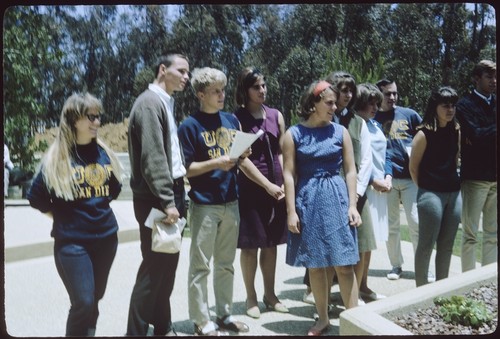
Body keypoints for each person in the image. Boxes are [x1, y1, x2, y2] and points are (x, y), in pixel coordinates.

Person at [27, 93, 123, 336]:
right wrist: (63, 216)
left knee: (95, 299)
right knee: (83, 302)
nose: (97, 122)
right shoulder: (57, 158)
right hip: (72, 244)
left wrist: (93, 207)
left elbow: (114, 189)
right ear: (74, 120)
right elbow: (35, 197)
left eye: (98, 116)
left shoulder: (104, 153)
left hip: (106, 239)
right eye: (91, 117)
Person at [283, 80, 361, 336]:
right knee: (315, 264)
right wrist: (291, 211)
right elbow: (289, 174)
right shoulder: (293, 134)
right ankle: (323, 318)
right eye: (329, 103)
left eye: (335, 104)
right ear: (313, 103)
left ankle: (354, 321)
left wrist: (353, 205)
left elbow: (350, 171)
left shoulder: (341, 132)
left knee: (345, 263)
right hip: (309, 201)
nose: (334, 108)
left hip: (337, 199)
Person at [178, 67, 250, 336]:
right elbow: (186, 168)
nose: (222, 96)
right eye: (215, 92)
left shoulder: (231, 121)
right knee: (200, 265)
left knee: (225, 263)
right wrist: (215, 163)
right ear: (200, 94)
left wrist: (242, 154)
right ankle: (200, 319)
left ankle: (224, 314)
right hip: (204, 203)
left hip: (231, 200)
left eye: (223, 90)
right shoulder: (189, 126)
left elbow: (237, 158)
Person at [126, 53, 190, 336]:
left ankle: (162, 326)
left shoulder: (163, 102)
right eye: (182, 71)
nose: (187, 77)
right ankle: (136, 332)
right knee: (154, 271)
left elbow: (170, 155)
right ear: (163, 70)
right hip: (158, 198)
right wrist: (168, 201)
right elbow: (153, 159)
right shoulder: (149, 104)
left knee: (166, 270)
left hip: (171, 193)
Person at [302, 72, 375, 306]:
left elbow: (364, 161)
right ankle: (315, 291)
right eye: (343, 90)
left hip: (354, 193)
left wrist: (357, 194)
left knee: (355, 244)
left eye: (350, 91)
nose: (347, 95)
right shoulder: (320, 121)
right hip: (325, 192)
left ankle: (353, 294)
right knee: (320, 244)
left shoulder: (356, 122)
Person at [233, 67, 289, 319]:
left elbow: (282, 151)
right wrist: (266, 184)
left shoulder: (276, 115)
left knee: (271, 244)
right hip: (251, 188)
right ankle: (251, 297)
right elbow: (241, 161)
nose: (262, 90)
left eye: (264, 85)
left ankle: (270, 294)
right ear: (245, 90)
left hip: (278, 189)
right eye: (257, 87)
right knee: (250, 246)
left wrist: (285, 181)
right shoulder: (238, 118)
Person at [374, 79, 431, 282]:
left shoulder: (409, 114)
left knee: (416, 222)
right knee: (392, 225)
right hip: (386, 181)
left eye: (394, 93)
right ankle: (396, 265)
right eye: (387, 93)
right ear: (378, 94)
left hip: (410, 178)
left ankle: (423, 266)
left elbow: (425, 137)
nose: (392, 97)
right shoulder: (373, 117)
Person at [409, 86, 462, 287]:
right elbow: (413, 168)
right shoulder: (423, 134)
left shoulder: (456, 129)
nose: (450, 109)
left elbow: (455, 159)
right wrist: (425, 189)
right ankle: (421, 290)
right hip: (430, 194)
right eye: (445, 105)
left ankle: (442, 288)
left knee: (447, 245)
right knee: (426, 245)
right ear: (435, 106)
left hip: (454, 193)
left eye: (453, 106)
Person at [455, 60, 497, 272]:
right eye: (489, 76)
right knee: (470, 235)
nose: (494, 81)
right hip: (475, 178)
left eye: (495, 76)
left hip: (495, 178)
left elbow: (482, 134)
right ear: (476, 78)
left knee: (493, 234)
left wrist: (486, 132)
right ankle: (468, 283)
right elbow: (476, 136)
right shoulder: (464, 105)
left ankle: (486, 282)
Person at [353, 83, 391, 297]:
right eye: (371, 103)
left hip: (380, 191)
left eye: (377, 103)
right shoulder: (356, 125)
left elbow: (386, 154)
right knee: (362, 243)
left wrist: (387, 175)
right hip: (364, 190)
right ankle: (354, 290)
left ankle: (363, 285)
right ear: (360, 103)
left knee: (370, 243)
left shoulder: (375, 126)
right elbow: (357, 163)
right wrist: (372, 181)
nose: (375, 107)